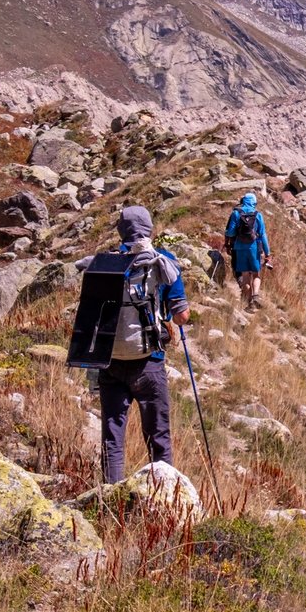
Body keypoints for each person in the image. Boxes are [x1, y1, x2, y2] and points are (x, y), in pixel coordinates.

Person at [86, 205, 187, 485]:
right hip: (149, 361)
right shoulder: (162, 261)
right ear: (150, 229)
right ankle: (165, 496)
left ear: (121, 231)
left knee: (112, 435)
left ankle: (110, 496)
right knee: (158, 435)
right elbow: (182, 315)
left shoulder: (107, 262)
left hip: (111, 361)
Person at [224, 191, 269, 311]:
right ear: (254, 202)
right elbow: (263, 235)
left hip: (240, 247)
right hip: (254, 248)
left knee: (245, 276)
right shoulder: (257, 214)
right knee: (256, 274)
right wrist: (267, 252)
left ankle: (250, 304)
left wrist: (227, 239)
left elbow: (231, 232)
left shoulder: (236, 213)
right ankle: (256, 295)